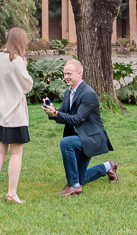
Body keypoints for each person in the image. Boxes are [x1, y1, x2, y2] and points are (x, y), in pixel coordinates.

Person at [42, 59, 118, 197]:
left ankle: (74, 187)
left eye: (69, 73)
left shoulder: (88, 94)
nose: (66, 77)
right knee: (81, 178)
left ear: (79, 73)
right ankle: (108, 166)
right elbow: (63, 114)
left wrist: (56, 113)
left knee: (66, 143)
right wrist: (52, 111)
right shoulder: (68, 93)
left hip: (92, 137)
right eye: (64, 74)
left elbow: (78, 119)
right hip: (80, 136)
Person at [0, 27, 34, 204]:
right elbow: (27, 85)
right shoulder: (17, 60)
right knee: (16, 153)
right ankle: (11, 193)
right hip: (13, 112)